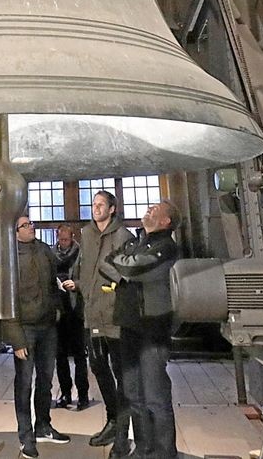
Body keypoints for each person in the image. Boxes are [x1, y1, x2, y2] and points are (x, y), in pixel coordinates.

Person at [108, 200, 182, 459]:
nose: (148, 210)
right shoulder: (136, 242)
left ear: (166, 221)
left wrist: (125, 264)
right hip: (129, 326)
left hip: (152, 329)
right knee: (133, 395)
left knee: (155, 396)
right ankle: (143, 449)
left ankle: (163, 453)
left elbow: (133, 267)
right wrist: (125, 263)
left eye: (155, 209)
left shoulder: (167, 247)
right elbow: (109, 264)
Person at [1, 215, 71, 458]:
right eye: (25, 225)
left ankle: (43, 425)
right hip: (25, 329)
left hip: (47, 326)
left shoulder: (43, 250)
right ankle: (26, 436)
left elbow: (54, 281)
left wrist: (58, 308)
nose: (31, 227)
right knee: (24, 383)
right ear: (15, 231)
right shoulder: (8, 256)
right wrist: (16, 338)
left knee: (45, 379)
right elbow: (7, 299)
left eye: (31, 224)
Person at [71, 190, 133, 457]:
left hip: (115, 317)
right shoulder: (86, 234)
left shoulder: (124, 237)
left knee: (122, 374)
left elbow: (125, 274)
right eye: (93, 204)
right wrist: (80, 288)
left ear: (112, 208)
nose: (95, 208)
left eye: (100, 205)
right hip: (92, 314)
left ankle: (122, 433)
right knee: (98, 367)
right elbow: (84, 267)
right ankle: (112, 419)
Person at [52, 224, 89, 410]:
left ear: (72, 237)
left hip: (77, 310)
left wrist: (76, 284)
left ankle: (83, 394)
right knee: (60, 355)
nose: (63, 242)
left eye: (66, 239)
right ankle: (65, 392)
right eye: (60, 239)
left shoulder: (81, 254)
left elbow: (89, 278)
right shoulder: (52, 254)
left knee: (80, 354)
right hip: (59, 310)